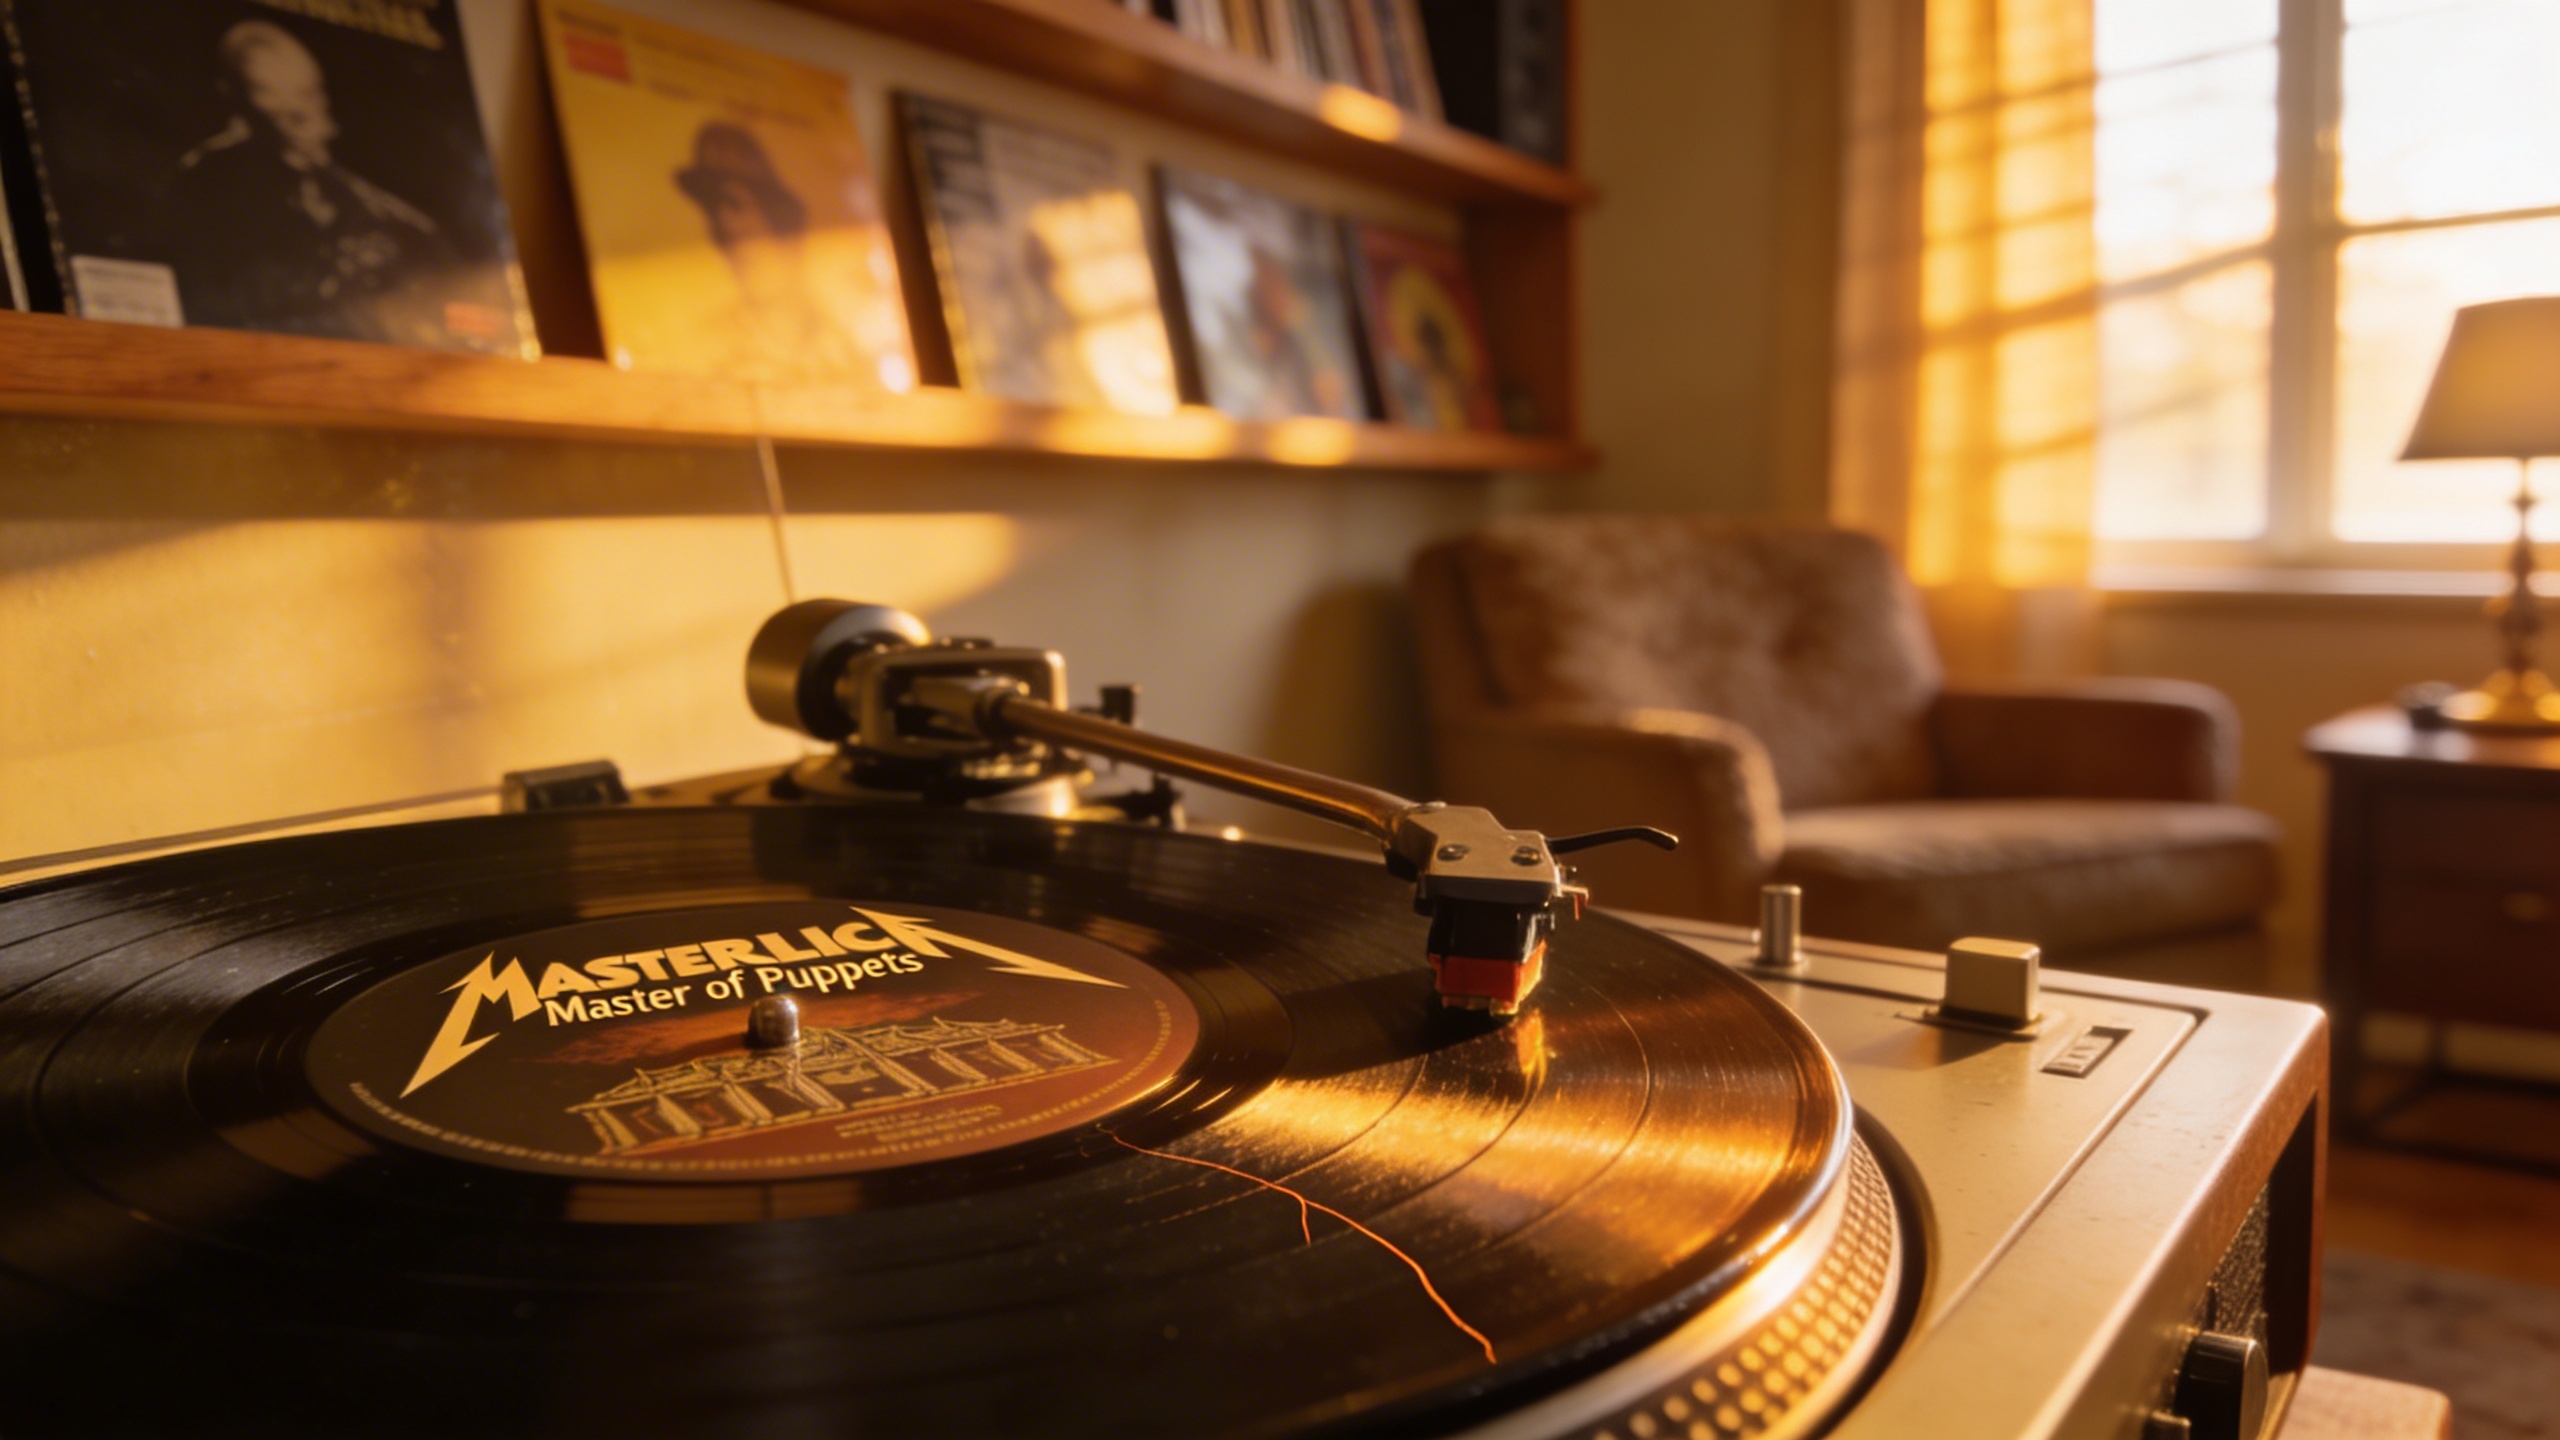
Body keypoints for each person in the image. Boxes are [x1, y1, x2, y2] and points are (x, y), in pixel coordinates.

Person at [162, 19, 458, 343]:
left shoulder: (378, 209)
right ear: (238, 101)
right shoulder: (206, 184)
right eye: (271, 95)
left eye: (308, 94)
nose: (298, 116)